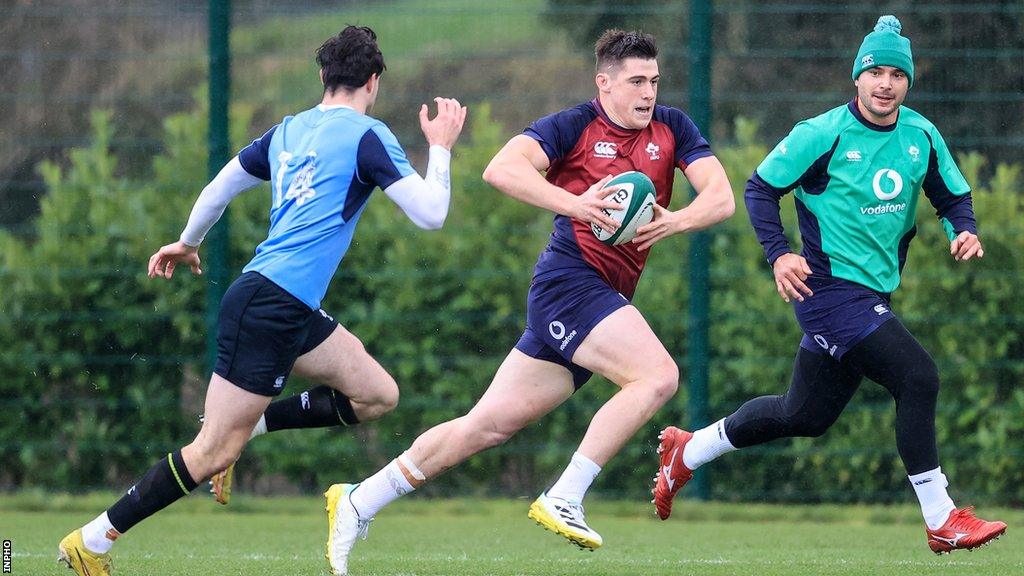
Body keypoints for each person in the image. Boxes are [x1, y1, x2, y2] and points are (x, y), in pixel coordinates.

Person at [320, 28, 735, 576]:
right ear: (603, 83)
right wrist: (577, 205)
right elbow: (501, 168)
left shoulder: (673, 128)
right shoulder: (574, 125)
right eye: (635, 81)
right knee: (657, 376)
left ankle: (359, 500)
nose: (647, 92)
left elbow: (722, 197)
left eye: (654, 81)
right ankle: (566, 495)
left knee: (484, 427)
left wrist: (677, 219)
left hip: (597, 297)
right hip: (570, 283)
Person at [57, 25, 467, 576]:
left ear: (323, 76)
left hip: (286, 307)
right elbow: (431, 214)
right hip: (270, 305)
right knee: (210, 453)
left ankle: (251, 426)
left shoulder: (287, 132)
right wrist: (439, 150)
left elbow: (218, 189)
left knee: (375, 395)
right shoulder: (368, 134)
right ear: (374, 82)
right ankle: (93, 540)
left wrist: (188, 242)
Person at [653, 15, 1006, 555]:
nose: (885, 84)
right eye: (876, 73)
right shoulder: (821, 134)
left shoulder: (921, 135)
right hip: (829, 293)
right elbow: (759, 189)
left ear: (908, 81)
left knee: (805, 415)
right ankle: (941, 518)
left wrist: (964, 229)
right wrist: (779, 255)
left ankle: (690, 450)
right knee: (918, 377)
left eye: (896, 74)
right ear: (857, 78)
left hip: (873, 296)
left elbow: (952, 196)